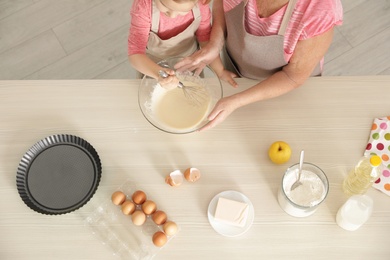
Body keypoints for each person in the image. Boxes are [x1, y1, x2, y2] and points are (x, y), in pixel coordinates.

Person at [175, 0, 343, 131]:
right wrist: (215, 44)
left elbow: (294, 76)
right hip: (238, 72)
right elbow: (223, 6)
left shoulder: (320, 9)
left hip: (287, 90)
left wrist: (237, 101)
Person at [127, 0, 236, 89]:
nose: (172, 15)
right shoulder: (144, 7)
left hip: (189, 64)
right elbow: (135, 54)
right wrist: (158, 74)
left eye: (182, 11)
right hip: (152, 66)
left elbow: (206, 42)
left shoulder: (201, 6)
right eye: (164, 6)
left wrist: (220, 71)